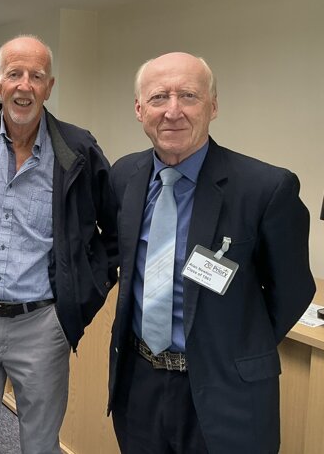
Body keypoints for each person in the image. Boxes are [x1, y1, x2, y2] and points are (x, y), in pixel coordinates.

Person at [108, 52, 315, 453]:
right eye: (158, 97)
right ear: (139, 109)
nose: (173, 111)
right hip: (139, 384)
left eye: (188, 96)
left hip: (226, 391)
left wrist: (237, 347)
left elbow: (292, 291)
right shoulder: (125, 176)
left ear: (213, 106)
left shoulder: (265, 188)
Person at [0, 35, 118, 453]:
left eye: (36, 76)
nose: (25, 86)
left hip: (42, 325)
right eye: (15, 74)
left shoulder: (78, 150)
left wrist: (80, 300)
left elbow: (113, 233)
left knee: (39, 444)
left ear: (49, 87)